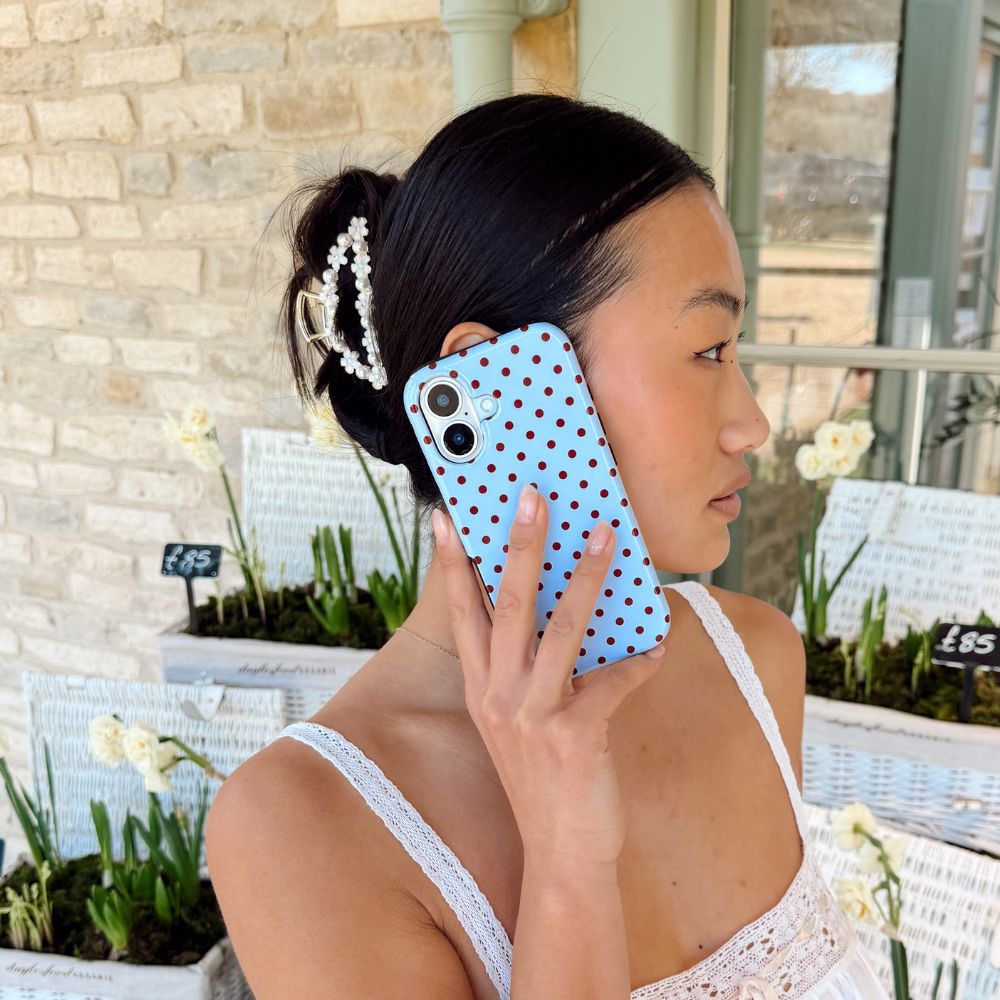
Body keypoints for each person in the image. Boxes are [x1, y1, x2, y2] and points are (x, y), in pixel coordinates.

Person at [206, 94, 886, 1000]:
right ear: (498, 384)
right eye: (710, 349)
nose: (753, 423)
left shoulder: (757, 659)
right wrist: (566, 857)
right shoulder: (301, 824)